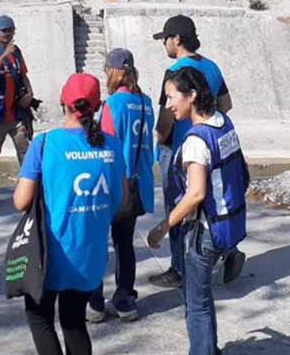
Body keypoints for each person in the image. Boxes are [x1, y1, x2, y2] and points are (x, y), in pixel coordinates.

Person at [14, 73, 125, 355]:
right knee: (74, 323)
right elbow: (118, 200)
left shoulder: (45, 144)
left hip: (50, 256)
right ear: (97, 106)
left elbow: (20, 201)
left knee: (40, 319)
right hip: (90, 256)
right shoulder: (112, 145)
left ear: (63, 101)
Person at [147, 66, 249, 355]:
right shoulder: (224, 124)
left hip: (205, 233)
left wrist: (162, 228)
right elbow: (241, 174)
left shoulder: (195, 141)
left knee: (197, 302)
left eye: (171, 97)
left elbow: (195, 194)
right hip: (228, 224)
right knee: (202, 296)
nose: (167, 105)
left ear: (191, 96)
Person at [150, 14, 243, 289]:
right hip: (212, 145)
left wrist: (160, 142)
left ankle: (179, 269)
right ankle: (227, 250)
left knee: (179, 207)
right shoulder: (212, 67)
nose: (163, 44)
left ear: (176, 40)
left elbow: (166, 117)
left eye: (165, 39)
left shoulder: (176, 72)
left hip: (182, 149)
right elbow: (225, 104)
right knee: (213, 202)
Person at [87, 48, 155, 323]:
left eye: (106, 70)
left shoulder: (112, 105)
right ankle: (126, 300)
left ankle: (94, 303)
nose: (105, 75)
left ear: (114, 72)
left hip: (116, 184)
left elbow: (107, 149)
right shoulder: (147, 102)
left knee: (98, 243)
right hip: (140, 183)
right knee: (125, 243)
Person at [0, 14, 36, 210]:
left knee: (26, 151)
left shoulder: (17, 52)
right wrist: (4, 55)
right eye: (4, 30)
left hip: (16, 113)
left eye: (10, 29)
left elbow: (23, 76)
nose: (8, 33)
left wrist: (29, 93)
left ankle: (29, 189)